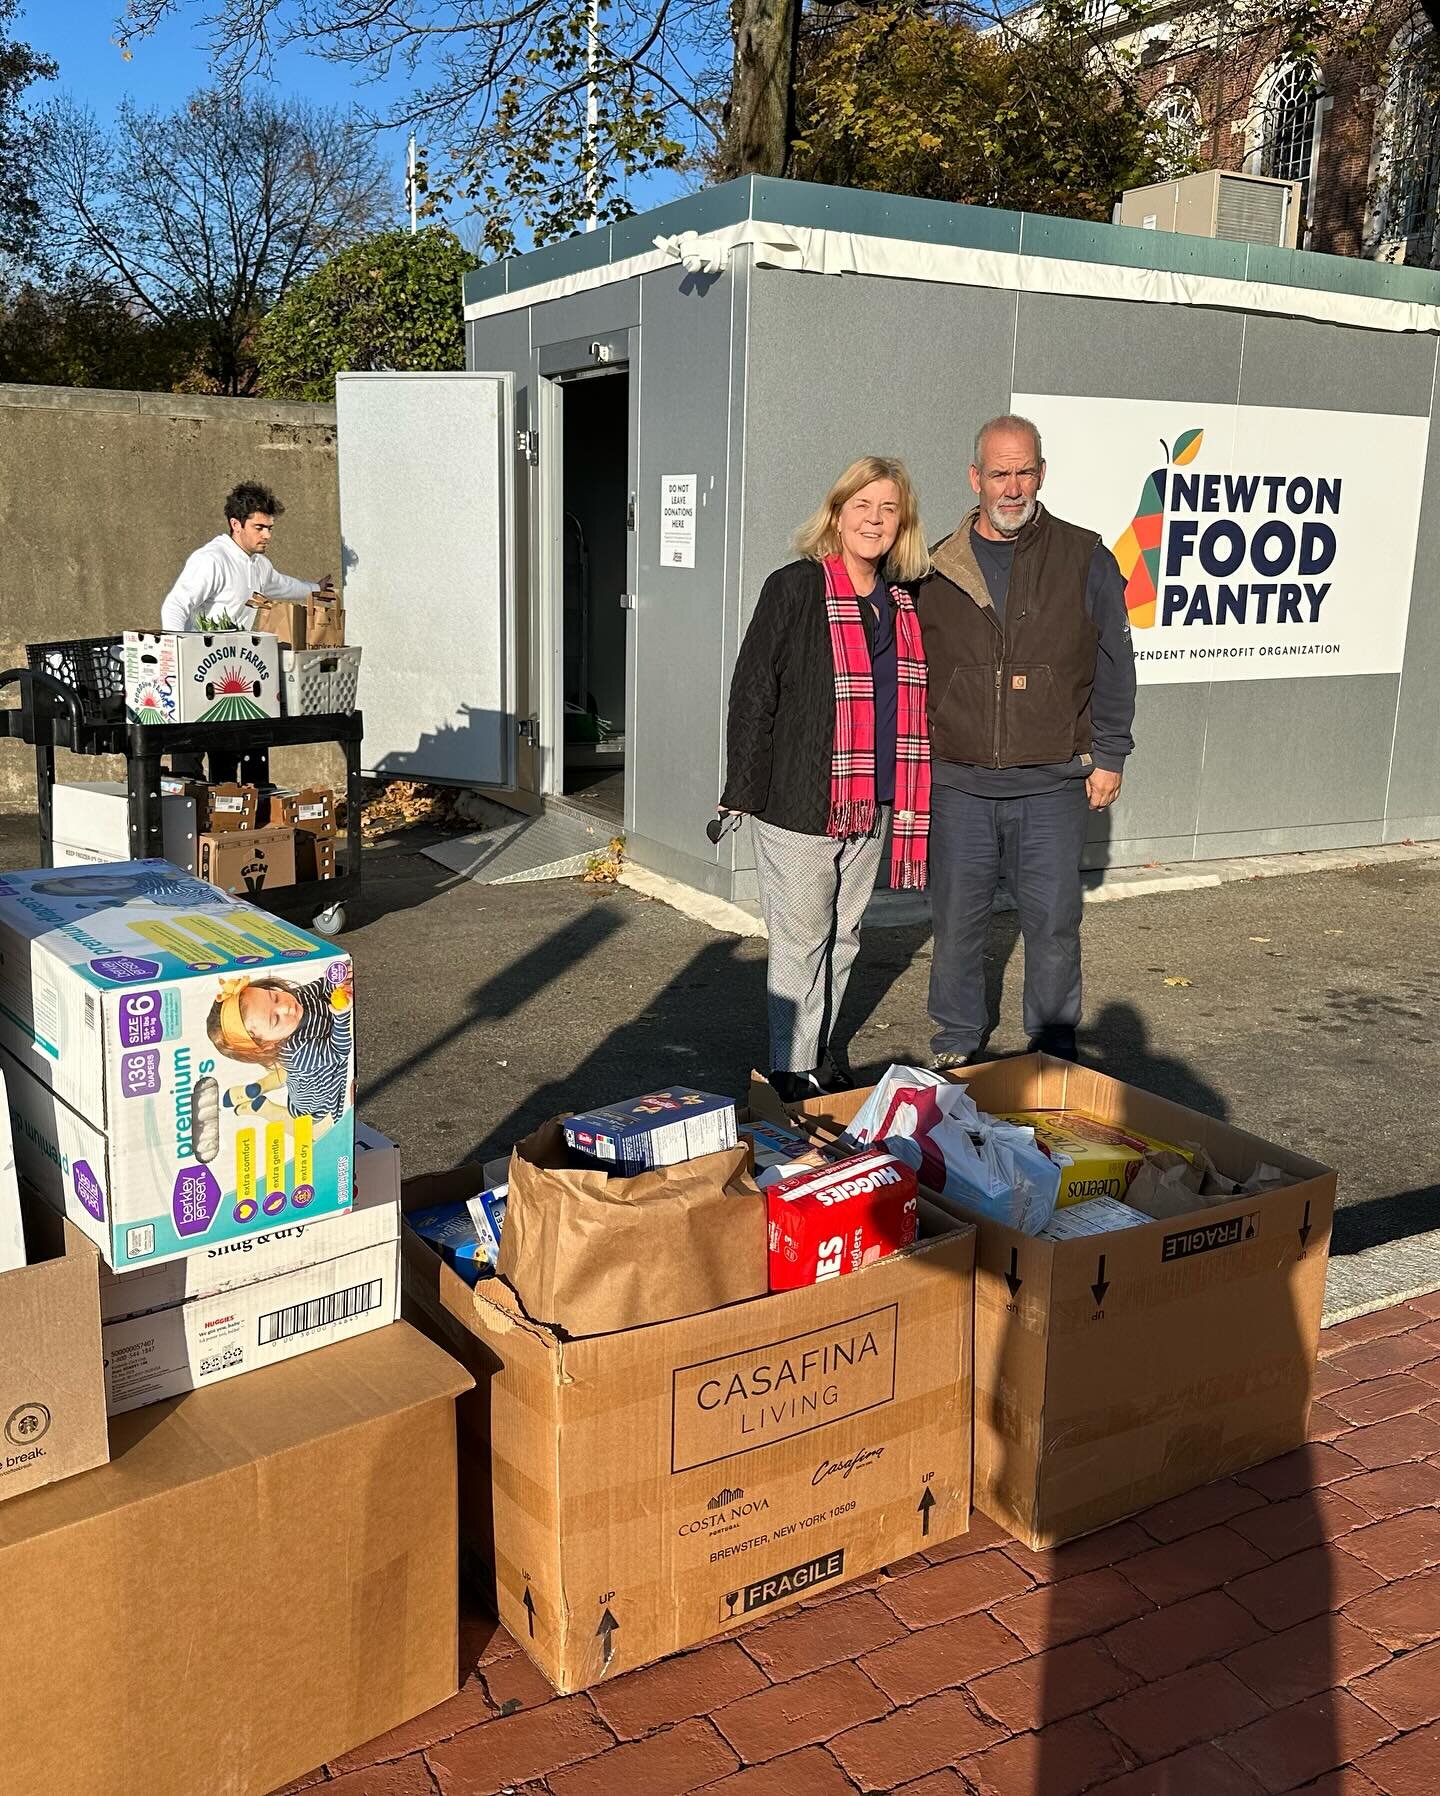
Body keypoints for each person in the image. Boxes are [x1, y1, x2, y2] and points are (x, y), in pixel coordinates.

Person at [917, 414, 1136, 1069]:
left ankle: (1053, 1042)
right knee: (956, 924)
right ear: (975, 477)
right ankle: (957, 1039)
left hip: (1052, 781)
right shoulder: (934, 567)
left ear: (1040, 473)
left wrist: (1111, 754)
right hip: (959, 781)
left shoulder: (1084, 554)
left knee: (1053, 924)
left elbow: (1114, 661)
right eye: (999, 473)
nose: (1011, 487)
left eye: (1024, 471)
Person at [720, 456, 932, 1103]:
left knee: (845, 936)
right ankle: (790, 1068)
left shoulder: (904, 602)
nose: (874, 520)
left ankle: (824, 1052)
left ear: (903, 525)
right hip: (798, 802)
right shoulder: (793, 589)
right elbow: (753, 693)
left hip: (872, 803)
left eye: (888, 509)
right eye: (861, 506)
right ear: (836, 514)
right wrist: (743, 792)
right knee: (802, 941)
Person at [160, 481, 333, 632]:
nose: (267, 535)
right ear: (235, 524)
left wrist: (316, 589)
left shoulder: (260, 565)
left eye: (269, 528)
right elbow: (175, 606)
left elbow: (283, 585)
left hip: (236, 663)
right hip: (201, 664)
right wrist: (176, 656)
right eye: (259, 528)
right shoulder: (212, 560)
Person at [207, 968, 354, 1125]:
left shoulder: (294, 998)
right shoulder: (297, 1051)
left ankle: (263, 1084)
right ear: (268, 1045)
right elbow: (339, 1050)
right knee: (307, 1123)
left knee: (290, 1075)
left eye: (274, 997)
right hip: (316, 1101)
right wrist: (341, 1017)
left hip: (307, 1068)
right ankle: (264, 1109)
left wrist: (337, 979)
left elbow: (321, 986)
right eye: (275, 1019)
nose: (286, 1007)